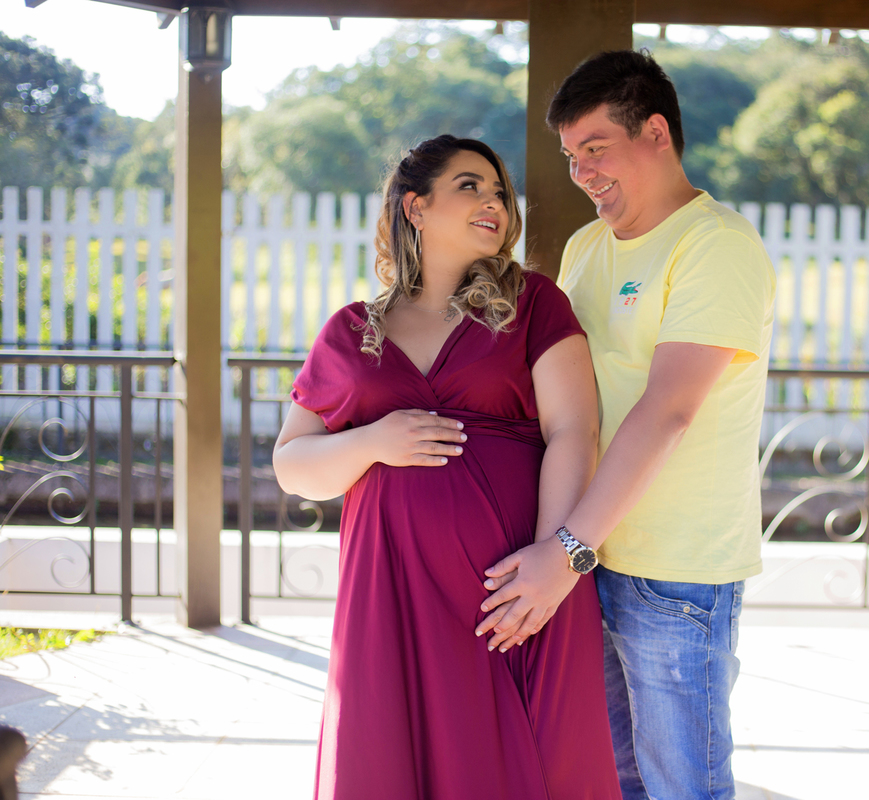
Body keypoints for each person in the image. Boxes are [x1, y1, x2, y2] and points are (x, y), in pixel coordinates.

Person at [273, 134, 621, 800]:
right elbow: (294, 466)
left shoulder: (534, 304)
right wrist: (373, 439)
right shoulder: (351, 331)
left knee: (539, 767)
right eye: (470, 186)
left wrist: (551, 562)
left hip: (515, 594)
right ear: (416, 207)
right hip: (393, 597)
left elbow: (575, 430)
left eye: (499, 191)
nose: (493, 201)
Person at [479, 51, 776, 800]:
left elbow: (669, 409)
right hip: (589, 556)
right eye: (571, 156)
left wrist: (566, 549)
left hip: (675, 570)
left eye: (596, 149)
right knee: (613, 781)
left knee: (684, 788)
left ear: (656, 133)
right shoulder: (586, 247)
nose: (582, 172)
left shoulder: (717, 244)